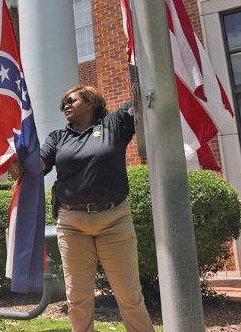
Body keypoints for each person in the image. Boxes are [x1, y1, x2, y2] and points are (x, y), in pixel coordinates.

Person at [41, 85, 153, 332]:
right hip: (72, 225)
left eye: (71, 100)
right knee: (77, 300)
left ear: (91, 103)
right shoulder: (57, 138)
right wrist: (18, 163)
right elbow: (39, 163)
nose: (66, 106)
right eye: (63, 105)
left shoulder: (114, 125)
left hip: (114, 221)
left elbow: (139, 93)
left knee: (129, 296)